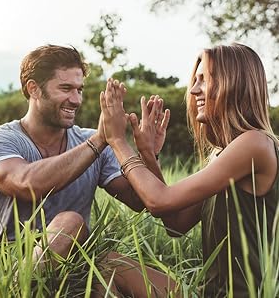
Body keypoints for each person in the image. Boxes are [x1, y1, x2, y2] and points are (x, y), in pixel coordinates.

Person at [0, 44, 177, 297]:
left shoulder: (90, 141)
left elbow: (142, 201)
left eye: (79, 89)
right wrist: (100, 140)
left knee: (173, 289)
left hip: (80, 262)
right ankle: (14, 291)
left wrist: (149, 155)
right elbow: (25, 183)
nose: (76, 99)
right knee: (70, 221)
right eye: (66, 89)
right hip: (16, 264)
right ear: (33, 89)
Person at [100, 43, 279, 297]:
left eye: (204, 80)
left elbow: (159, 201)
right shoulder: (223, 153)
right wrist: (149, 155)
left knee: (108, 265)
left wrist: (117, 141)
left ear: (234, 84)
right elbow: (176, 224)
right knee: (109, 263)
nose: (194, 90)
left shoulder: (255, 143)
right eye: (195, 80)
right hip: (207, 292)